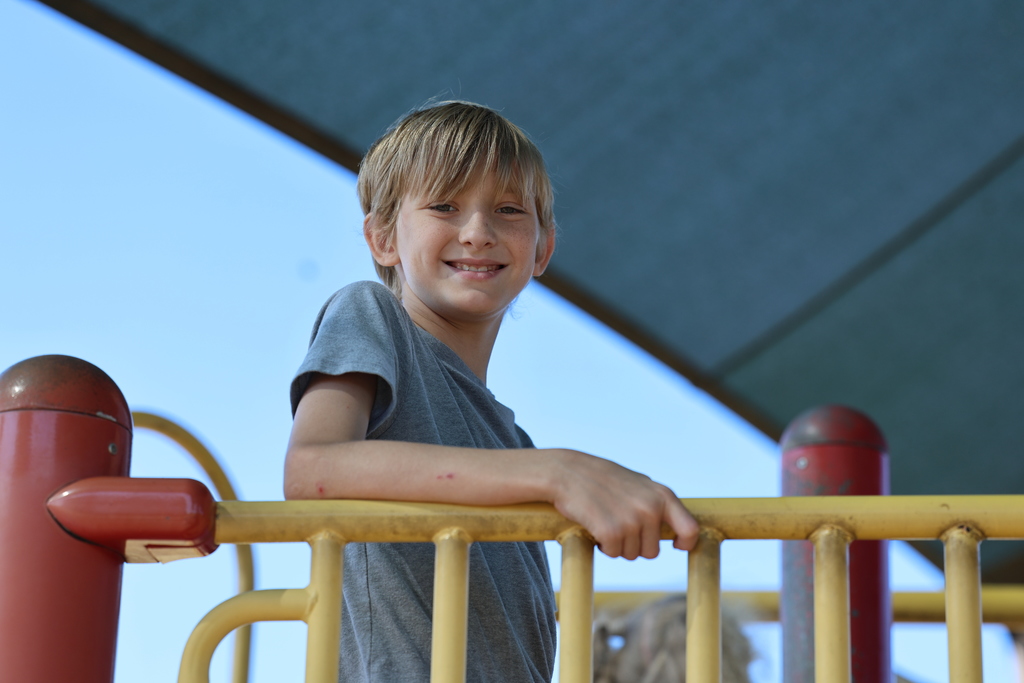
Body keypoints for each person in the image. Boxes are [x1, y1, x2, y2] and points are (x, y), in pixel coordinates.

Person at [284, 100, 699, 683]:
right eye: (445, 206)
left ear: (542, 249)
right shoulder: (371, 314)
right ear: (383, 238)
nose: (478, 232)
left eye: (508, 210)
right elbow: (312, 471)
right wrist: (559, 473)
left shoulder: (513, 447)